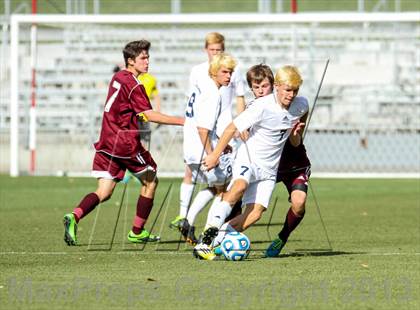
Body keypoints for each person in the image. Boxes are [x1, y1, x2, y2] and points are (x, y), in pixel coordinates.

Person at [63, 40, 184, 246]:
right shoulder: (134, 85)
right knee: (151, 180)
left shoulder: (118, 76)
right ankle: (137, 231)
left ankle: (74, 216)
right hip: (124, 143)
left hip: (107, 141)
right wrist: (183, 121)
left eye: (148, 57)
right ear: (130, 61)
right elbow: (148, 115)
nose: (147, 61)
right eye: (143, 58)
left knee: (105, 191)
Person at [194, 65, 309, 260]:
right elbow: (232, 127)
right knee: (239, 186)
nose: (291, 95)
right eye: (288, 90)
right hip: (249, 159)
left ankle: (213, 243)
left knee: (255, 213)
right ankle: (205, 239)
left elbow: (296, 140)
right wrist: (214, 155)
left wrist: (296, 135)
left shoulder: (302, 105)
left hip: (269, 170)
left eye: (295, 91)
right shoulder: (262, 106)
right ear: (277, 86)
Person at [170, 32, 246, 238]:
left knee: (216, 186)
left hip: (193, 146)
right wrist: (212, 153)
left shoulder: (204, 87)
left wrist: (221, 145)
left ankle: (188, 222)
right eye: (225, 72)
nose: (229, 76)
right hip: (202, 147)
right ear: (215, 71)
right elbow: (203, 129)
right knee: (225, 190)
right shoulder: (213, 94)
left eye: (231, 72)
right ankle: (207, 234)